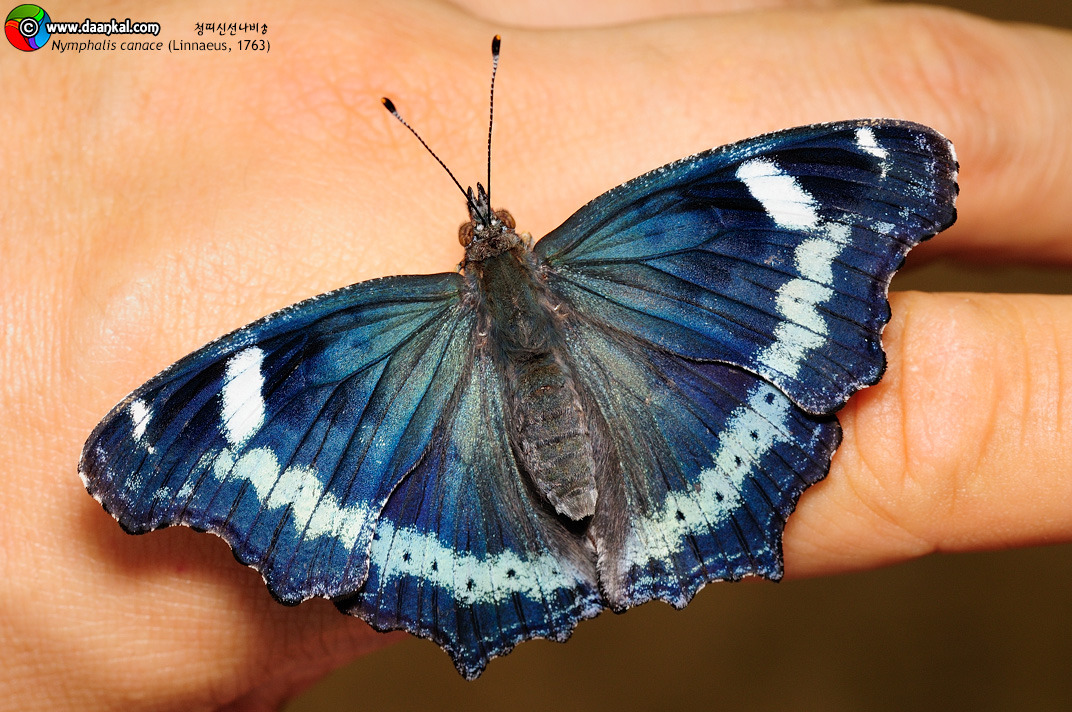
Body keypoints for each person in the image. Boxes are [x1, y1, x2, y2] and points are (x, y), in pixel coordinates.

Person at [2, 0, 1069, 708]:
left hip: (602, 450)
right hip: (618, 431)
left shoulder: (369, 336)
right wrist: (160, 437)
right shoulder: (633, 239)